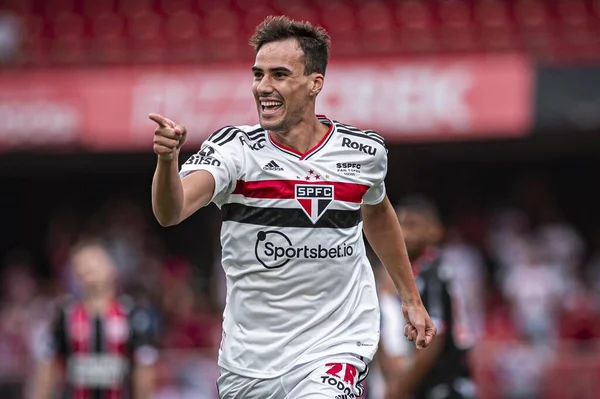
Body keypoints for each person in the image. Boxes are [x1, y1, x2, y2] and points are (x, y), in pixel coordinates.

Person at [150, 15, 436, 399]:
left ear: (314, 83)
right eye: (258, 75)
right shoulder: (236, 152)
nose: (263, 87)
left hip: (335, 344)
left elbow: (378, 212)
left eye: (279, 75)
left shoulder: (363, 153)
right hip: (250, 359)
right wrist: (167, 162)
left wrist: (410, 298)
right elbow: (171, 211)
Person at [30, 238, 158, 399]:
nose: (87, 267)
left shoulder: (134, 316)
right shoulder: (63, 316)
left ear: (112, 268)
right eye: (81, 263)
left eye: (94, 261)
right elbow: (45, 370)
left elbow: (144, 372)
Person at [384, 196, 475, 399]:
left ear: (435, 231)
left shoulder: (433, 273)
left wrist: (401, 387)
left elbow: (433, 337)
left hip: (444, 382)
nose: (404, 234)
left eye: (412, 225)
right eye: (399, 225)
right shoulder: (417, 273)